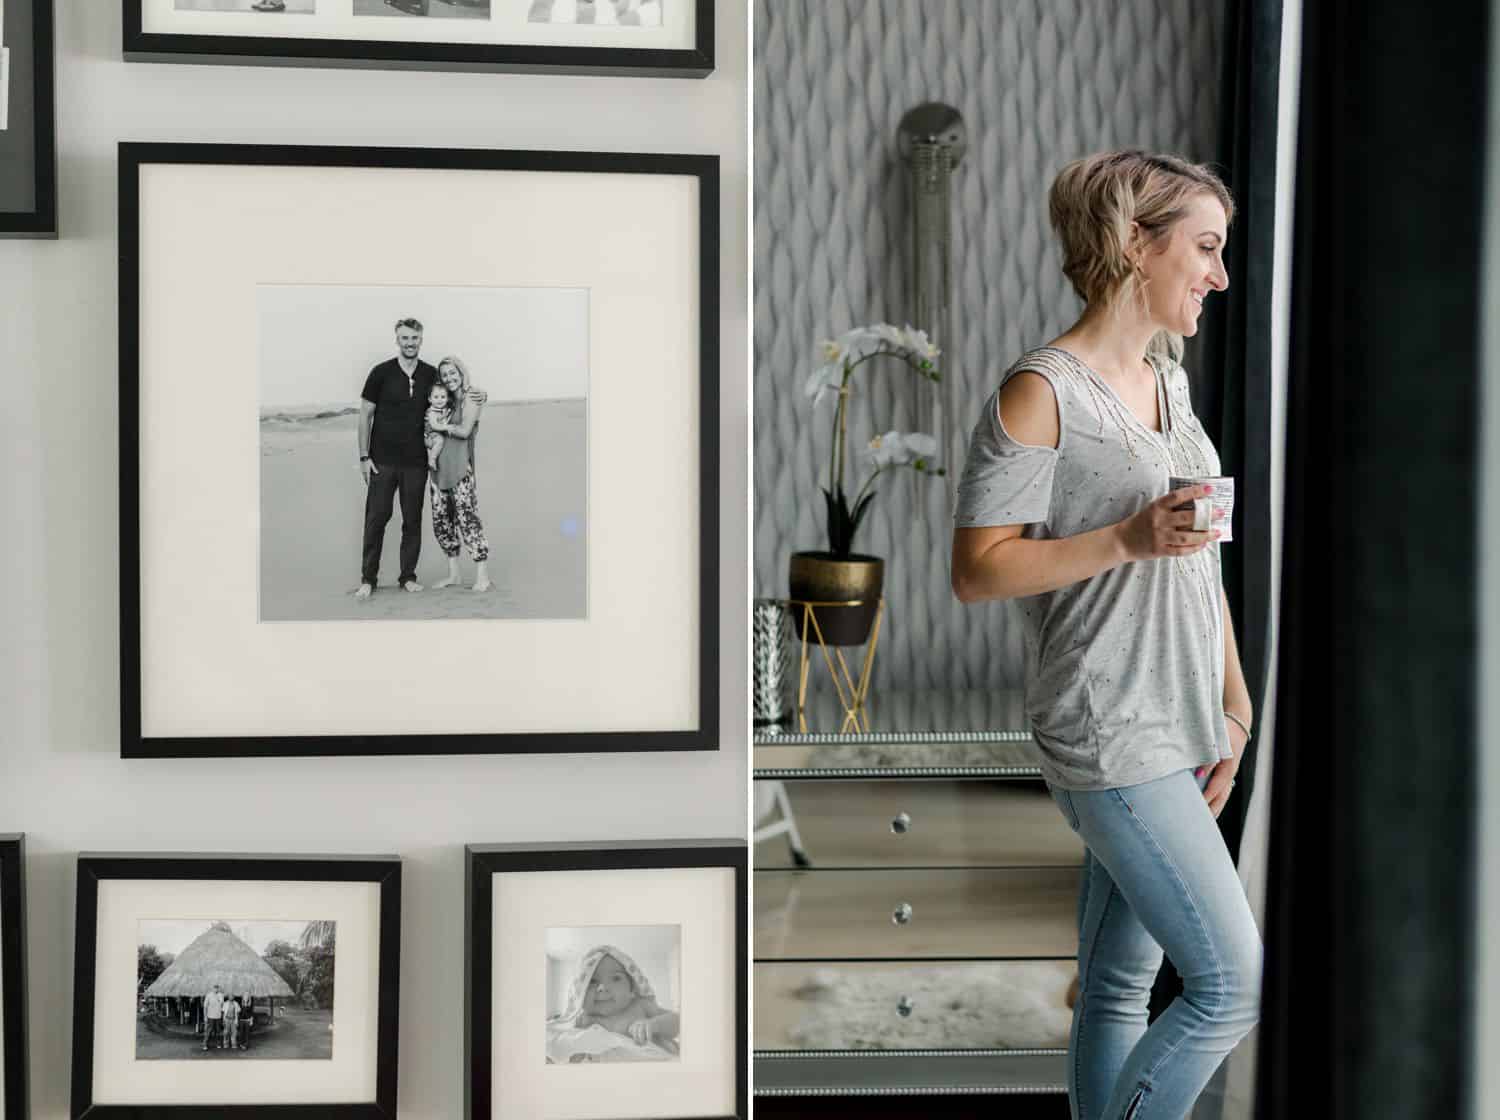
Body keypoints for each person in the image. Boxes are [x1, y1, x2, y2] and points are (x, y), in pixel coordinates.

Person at [950, 149, 1261, 1120]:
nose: (1217, 274)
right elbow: (978, 568)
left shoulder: (1169, 381)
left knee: (1122, 986)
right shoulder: (1041, 392)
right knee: (1228, 984)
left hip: (1182, 719)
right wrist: (1124, 537)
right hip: (1108, 725)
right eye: (1203, 248)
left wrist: (1234, 699)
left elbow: (1196, 555)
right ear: (1135, 243)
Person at [425, 356, 493, 593]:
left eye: (453, 373)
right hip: (437, 471)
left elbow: (464, 431)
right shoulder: (443, 401)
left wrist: (441, 428)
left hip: (461, 468)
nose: (449, 378)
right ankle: (453, 574)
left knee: (468, 519)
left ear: (461, 373)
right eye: (444, 375)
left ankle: (482, 576)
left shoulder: (472, 397)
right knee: (442, 522)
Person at [546, 946, 679, 1063]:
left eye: (616, 978)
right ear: (580, 993)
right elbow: (573, 1049)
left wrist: (655, 1024)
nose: (602, 987)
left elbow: (677, 1022)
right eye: (592, 981)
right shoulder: (583, 1019)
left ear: (632, 988)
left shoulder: (640, 1006)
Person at [424, 382, 453, 474]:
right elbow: (434, 425)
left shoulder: (440, 409)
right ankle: (432, 459)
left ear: (447, 398)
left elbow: (440, 418)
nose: (439, 400)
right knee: (440, 440)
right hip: (430, 434)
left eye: (443, 397)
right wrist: (446, 427)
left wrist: (445, 415)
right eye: (436, 397)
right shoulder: (431, 412)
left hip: (435, 433)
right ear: (430, 399)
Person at [202, 985, 226, 1052]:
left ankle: (218, 1043)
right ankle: (205, 1044)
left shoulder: (221, 995)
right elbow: (205, 1007)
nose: (216, 989)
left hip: (218, 1016)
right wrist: (205, 1016)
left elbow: (222, 1006)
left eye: (217, 988)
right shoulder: (208, 995)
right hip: (210, 1016)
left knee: (218, 1031)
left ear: (218, 989)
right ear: (212, 989)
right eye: (214, 988)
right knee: (209, 1031)